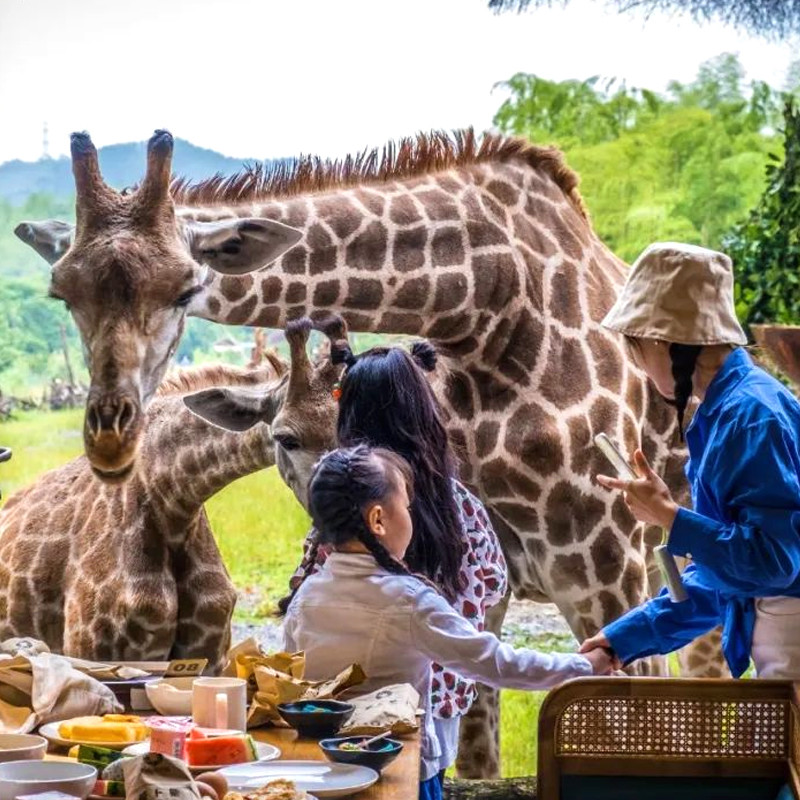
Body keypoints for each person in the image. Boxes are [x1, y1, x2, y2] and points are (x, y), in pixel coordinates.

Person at [282, 445, 612, 800]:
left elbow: (292, 684)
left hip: (323, 772)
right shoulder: (409, 602)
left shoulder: (308, 595)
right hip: (398, 771)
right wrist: (581, 666)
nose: (411, 515)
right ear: (378, 520)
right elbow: (494, 663)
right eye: (406, 507)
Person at [279, 341, 508, 785]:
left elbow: (309, 595)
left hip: (349, 710)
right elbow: (493, 584)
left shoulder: (343, 506)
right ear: (424, 410)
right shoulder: (459, 505)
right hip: (437, 708)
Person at [580, 242, 800, 680]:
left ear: (663, 341)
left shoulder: (751, 418)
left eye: (637, 349)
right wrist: (621, 641)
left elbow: (776, 562)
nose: (641, 367)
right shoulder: (727, 411)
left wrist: (670, 518)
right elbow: (723, 575)